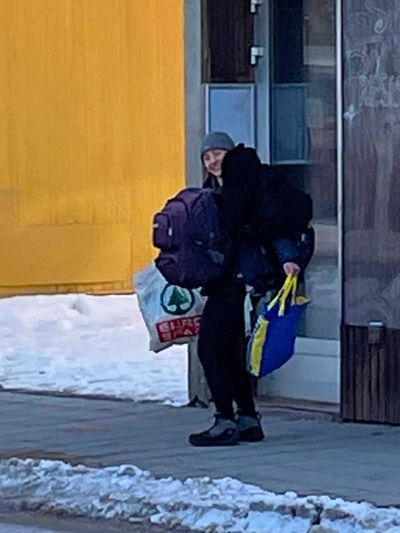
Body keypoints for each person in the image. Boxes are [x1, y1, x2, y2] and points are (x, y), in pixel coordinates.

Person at [189, 132, 301, 447]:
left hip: (239, 279)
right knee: (231, 352)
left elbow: (271, 223)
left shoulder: (248, 183)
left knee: (210, 349)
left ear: (231, 153)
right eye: (206, 157)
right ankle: (248, 419)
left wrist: (288, 258)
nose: (212, 161)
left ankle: (225, 420)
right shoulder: (216, 191)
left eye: (217, 153)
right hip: (231, 279)